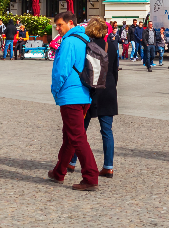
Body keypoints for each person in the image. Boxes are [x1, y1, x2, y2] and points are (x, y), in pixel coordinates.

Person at [47, 12, 98, 190]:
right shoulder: (85, 39)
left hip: (71, 95)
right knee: (70, 135)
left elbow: (61, 70)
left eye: (60, 25)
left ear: (71, 23)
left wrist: (55, 91)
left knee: (77, 137)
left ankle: (91, 176)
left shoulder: (68, 41)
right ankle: (59, 171)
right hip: (85, 94)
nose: (57, 29)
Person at [66, 17, 117, 179]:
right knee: (107, 131)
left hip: (90, 90)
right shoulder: (113, 46)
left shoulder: (87, 46)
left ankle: (72, 162)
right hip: (108, 89)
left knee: (80, 129)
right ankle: (108, 166)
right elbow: (115, 71)